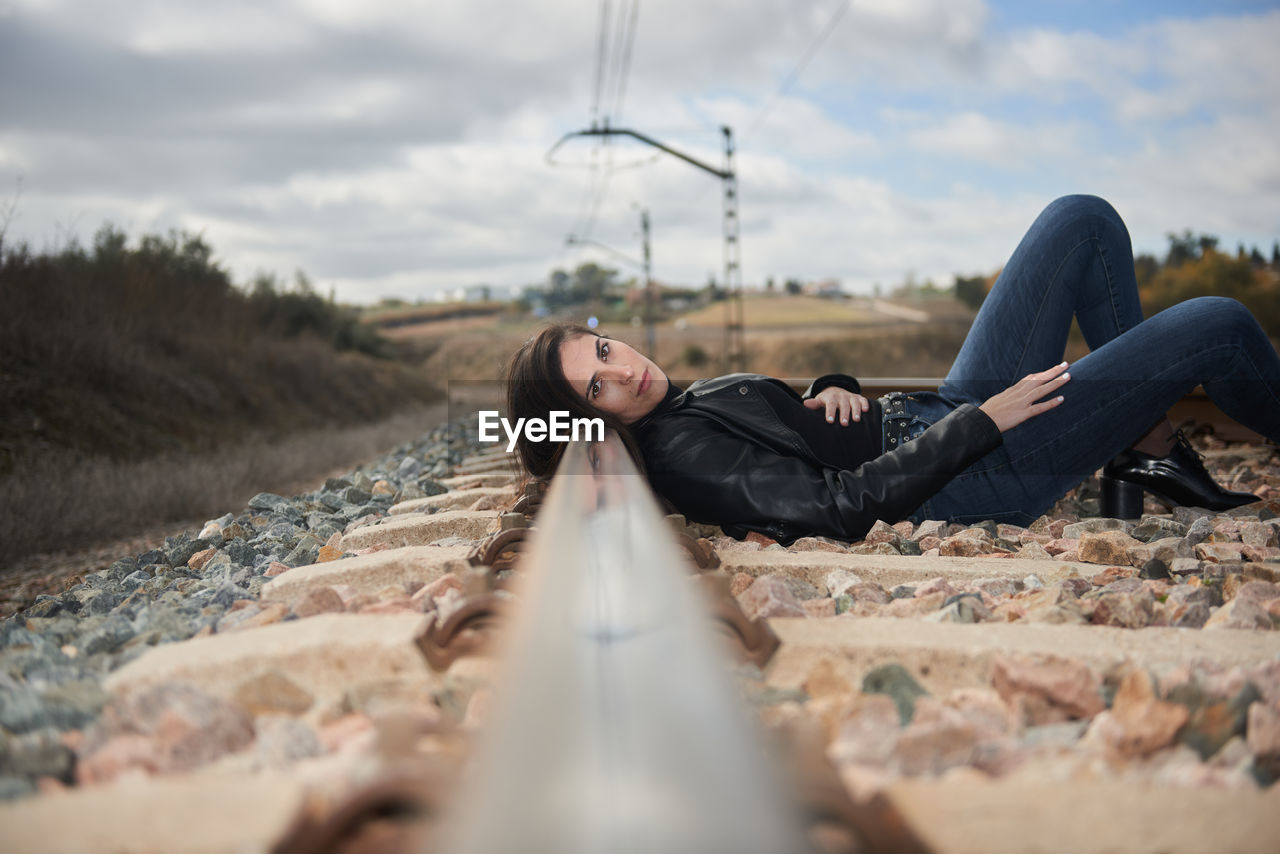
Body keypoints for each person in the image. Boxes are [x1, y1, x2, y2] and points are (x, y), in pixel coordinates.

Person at [505, 195, 1280, 544]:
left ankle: (1145, 451)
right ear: (590, 421)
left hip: (943, 409)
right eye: (597, 388)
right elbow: (842, 506)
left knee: (1081, 222)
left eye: (604, 351)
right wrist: (986, 421)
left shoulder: (677, 406)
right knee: (1219, 323)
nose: (625, 372)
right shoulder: (677, 452)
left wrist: (830, 384)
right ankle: (1144, 449)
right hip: (982, 468)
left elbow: (783, 432)